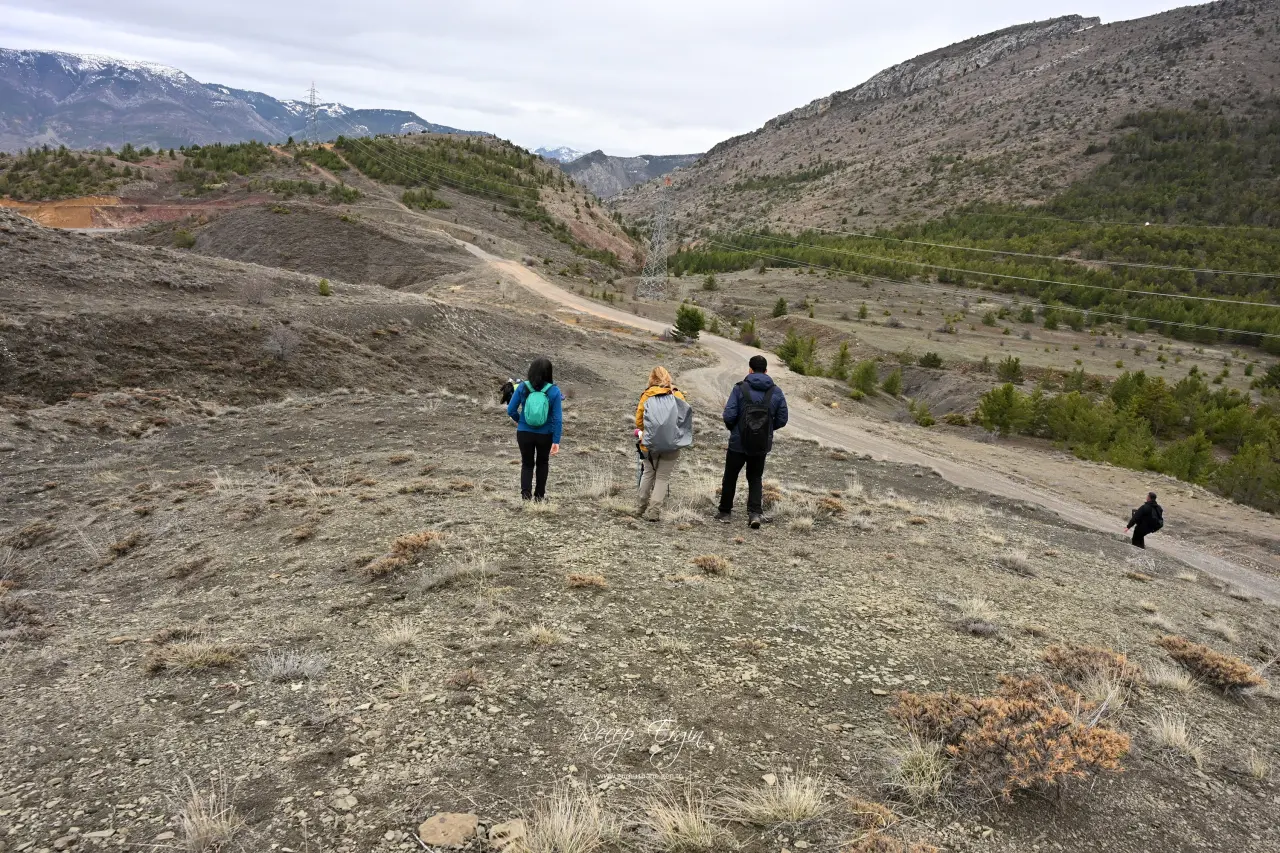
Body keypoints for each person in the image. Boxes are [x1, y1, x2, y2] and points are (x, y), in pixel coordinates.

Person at [718, 355, 788, 529]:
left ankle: (725, 512)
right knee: (755, 477)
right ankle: (755, 513)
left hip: (738, 442)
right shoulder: (776, 392)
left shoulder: (739, 389)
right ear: (766, 371)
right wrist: (766, 430)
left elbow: (729, 415)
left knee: (730, 476)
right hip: (760, 444)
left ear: (749, 369)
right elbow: (783, 418)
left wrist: (734, 429)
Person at [635, 366, 691, 521]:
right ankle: (654, 512)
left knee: (648, 473)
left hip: (649, 443)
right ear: (668, 377)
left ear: (651, 378)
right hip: (672, 444)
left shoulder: (647, 395)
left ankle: (639, 508)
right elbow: (684, 419)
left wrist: (645, 431)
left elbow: (639, 421)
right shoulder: (677, 394)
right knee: (662, 477)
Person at [507, 357, 563, 501]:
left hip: (524, 433)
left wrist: (521, 422)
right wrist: (556, 440)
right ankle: (539, 497)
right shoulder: (554, 391)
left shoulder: (522, 387)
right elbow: (557, 418)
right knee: (543, 463)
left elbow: (511, 410)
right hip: (546, 434)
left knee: (527, 463)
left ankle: (525, 497)